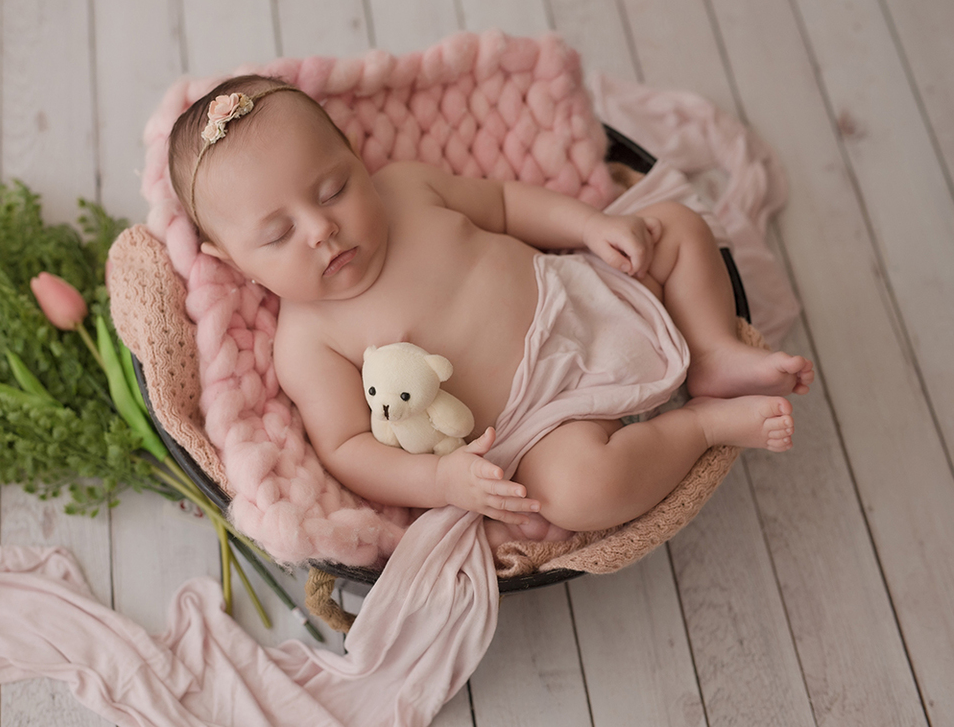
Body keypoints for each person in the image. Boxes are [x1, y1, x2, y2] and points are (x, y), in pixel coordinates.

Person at [167, 75, 813, 544]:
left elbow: (505, 204)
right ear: (231, 263)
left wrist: (589, 227)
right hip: (540, 423)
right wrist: (442, 481)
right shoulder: (307, 341)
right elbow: (347, 447)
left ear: (357, 160)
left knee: (672, 225)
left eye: (333, 188)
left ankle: (713, 351)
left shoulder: (407, 190)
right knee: (582, 491)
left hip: (583, 295)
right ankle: (702, 427)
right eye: (277, 235)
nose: (320, 230)